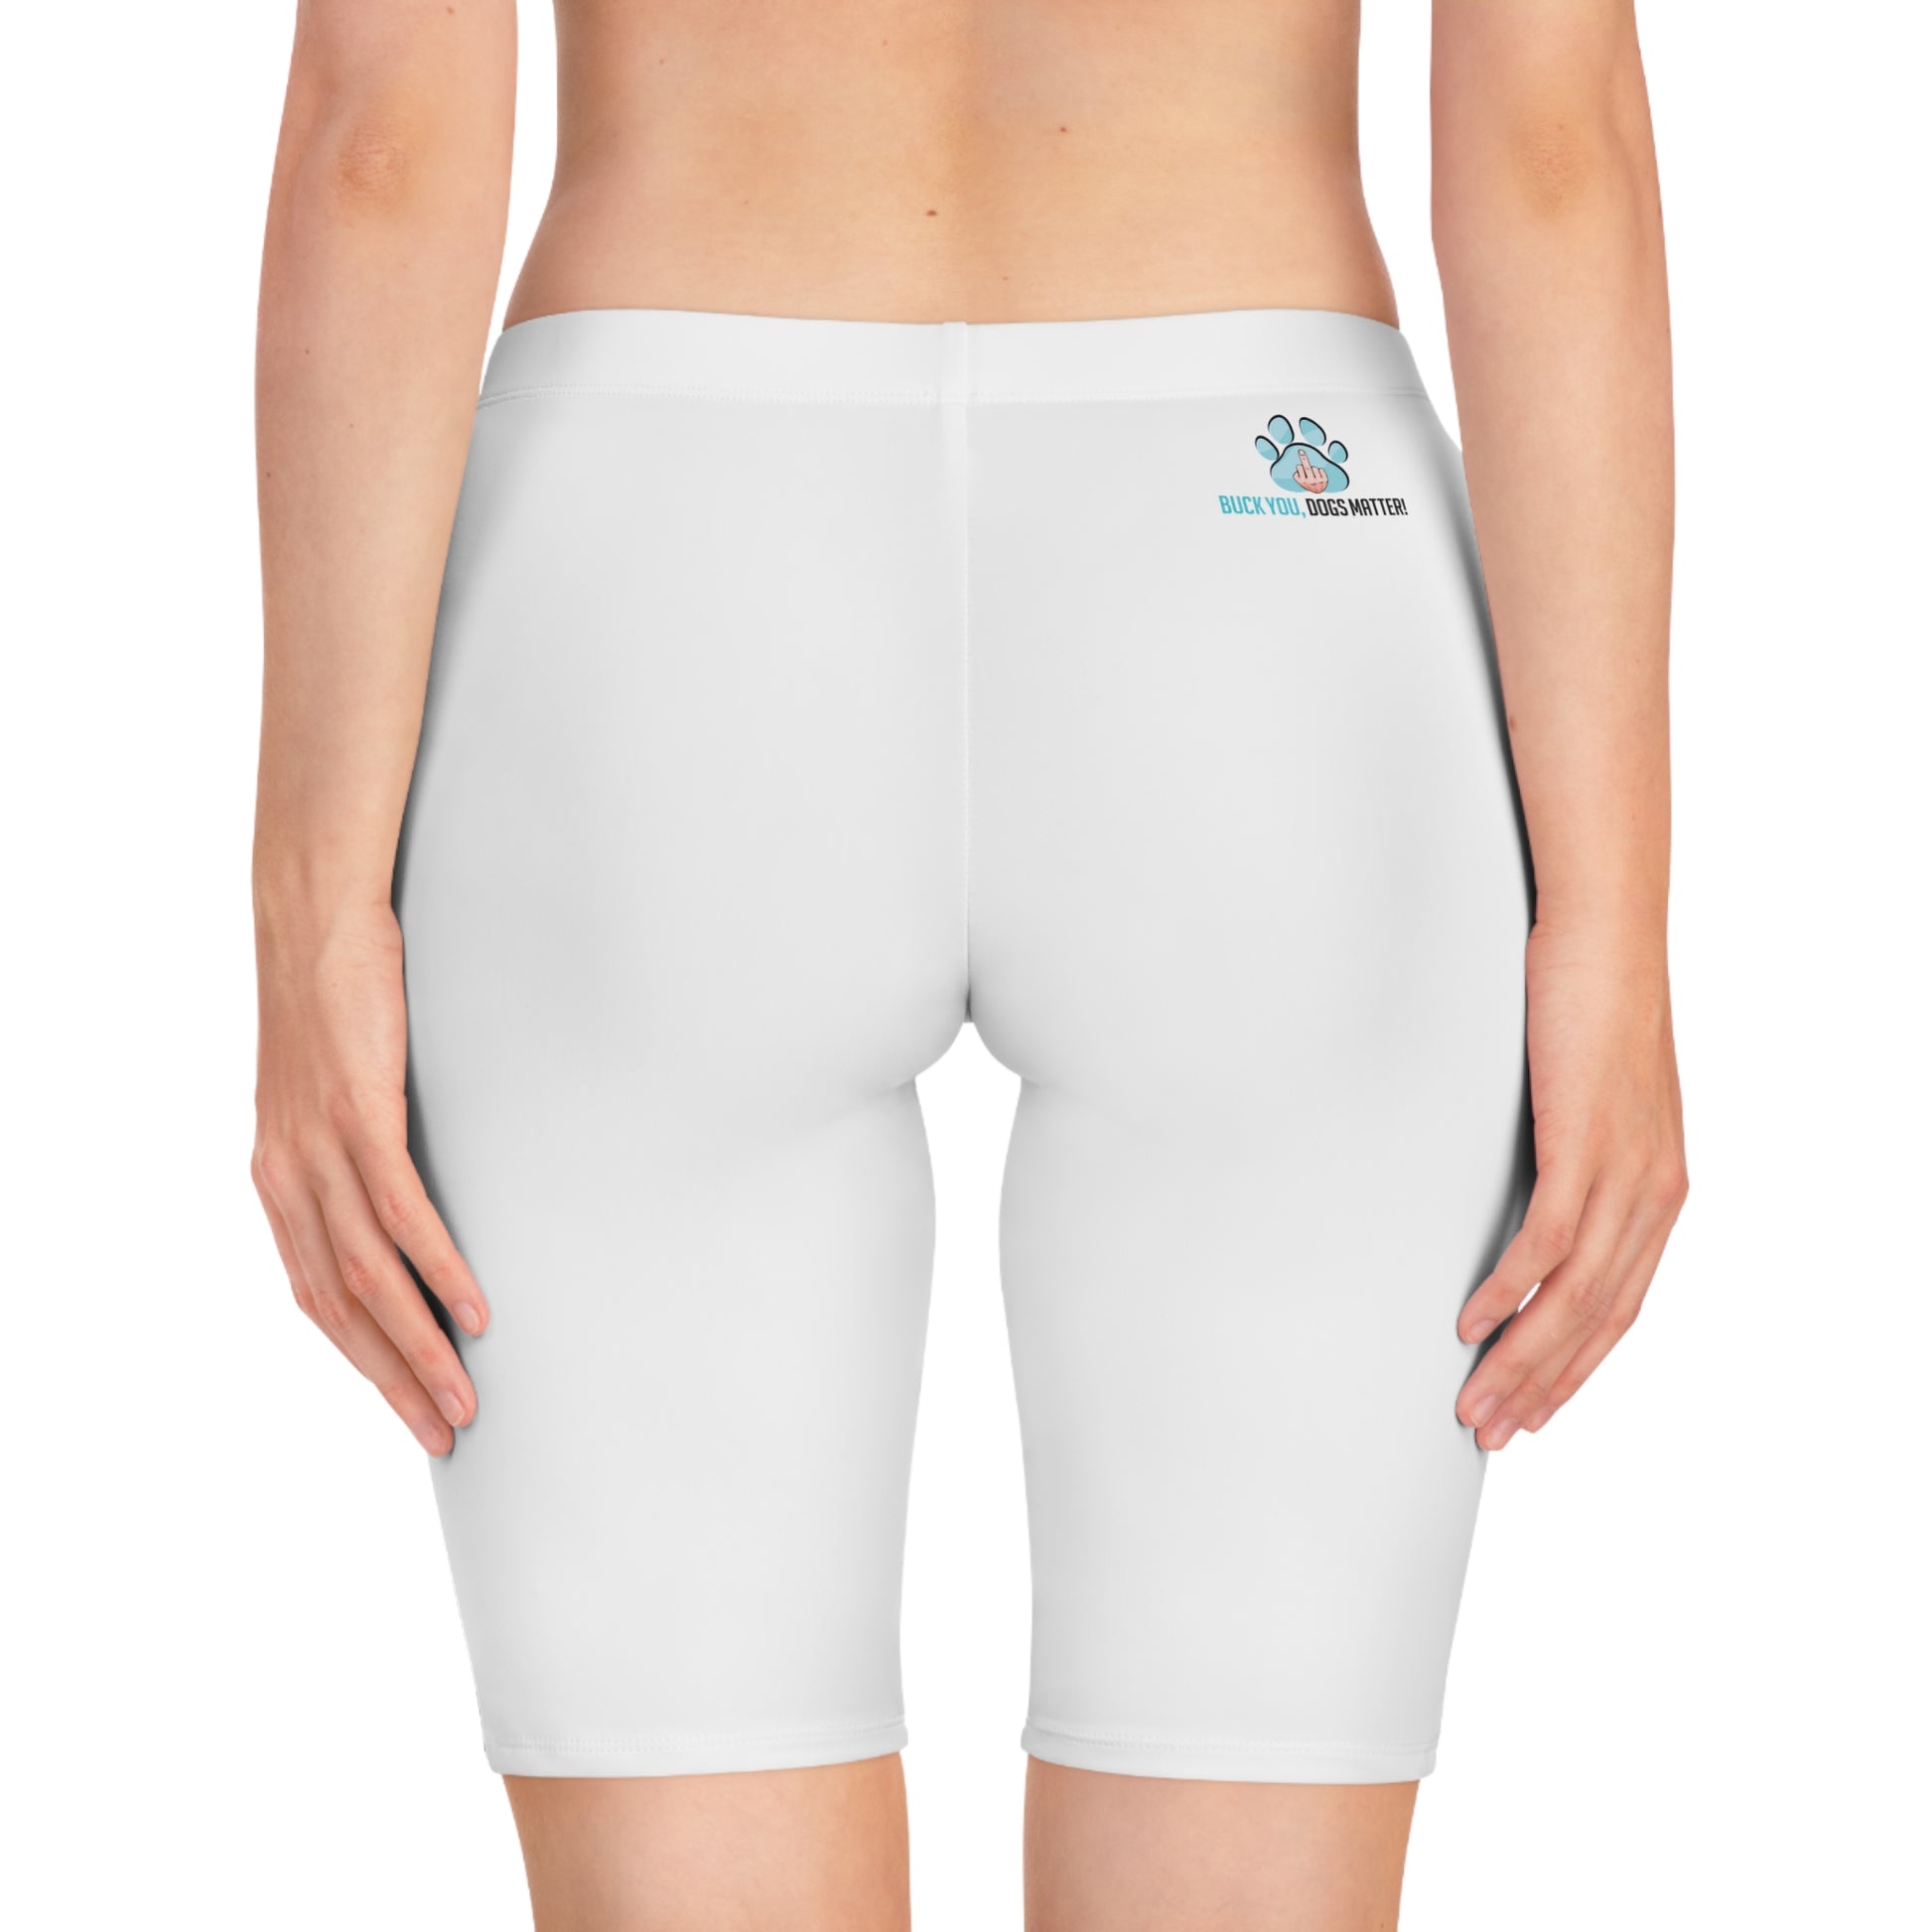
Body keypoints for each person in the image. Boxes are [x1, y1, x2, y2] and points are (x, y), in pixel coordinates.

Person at [249, 0, 1686, 1925]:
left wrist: (311, 896)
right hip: (1263, 549)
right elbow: (1550, 140)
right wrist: (1610, 916)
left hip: (661, 566)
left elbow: (383, 133)